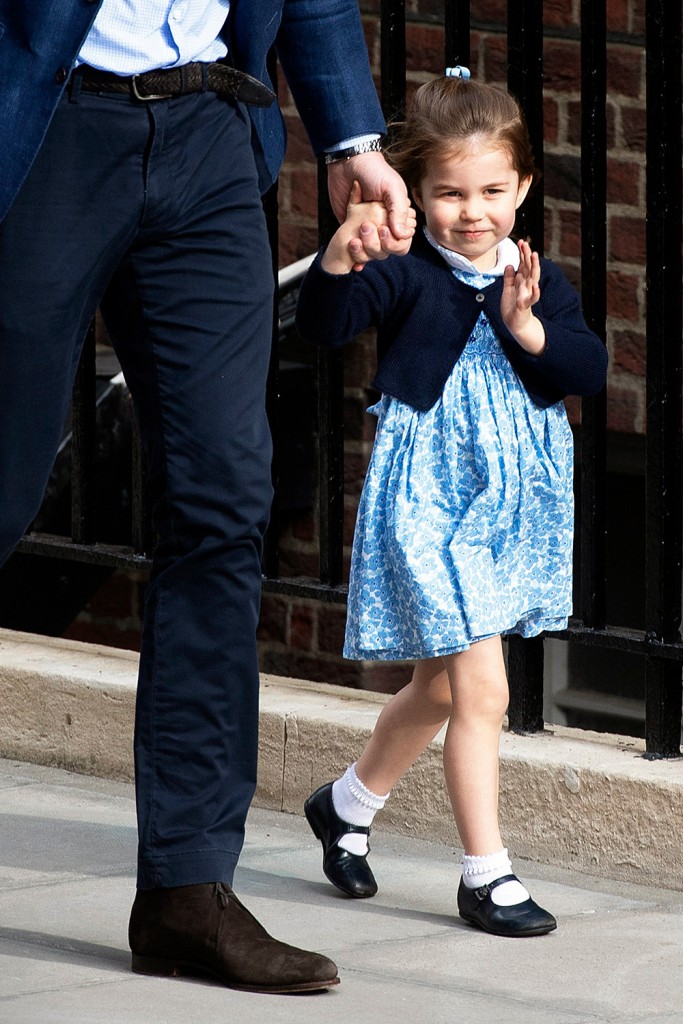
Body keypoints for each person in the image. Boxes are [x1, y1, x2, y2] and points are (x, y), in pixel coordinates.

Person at [0, 0, 414, 995]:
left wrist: (351, 135)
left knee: (223, 501)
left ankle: (188, 889)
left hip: (212, 134)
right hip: (49, 122)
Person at [296, 68, 608, 938]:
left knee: (436, 689)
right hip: (433, 497)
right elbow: (321, 329)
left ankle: (345, 805)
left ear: (523, 188)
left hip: (512, 503)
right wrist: (337, 253)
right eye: (448, 193)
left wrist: (530, 329)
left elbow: (587, 372)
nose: (472, 212)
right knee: (483, 692)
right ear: (418, 191)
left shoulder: (536, 278)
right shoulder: (404, 273)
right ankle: (486, 875)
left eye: (492, 191)